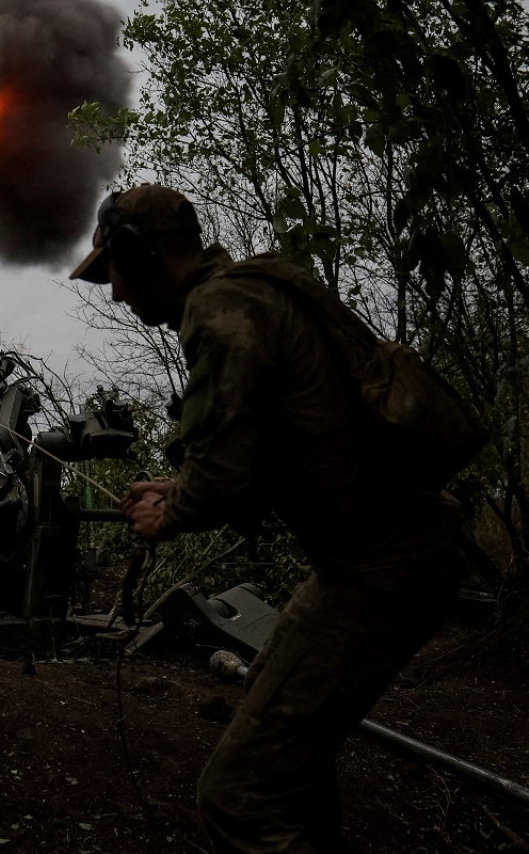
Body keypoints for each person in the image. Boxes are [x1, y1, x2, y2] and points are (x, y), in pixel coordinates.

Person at [70, 185, 463, 852]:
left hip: (381, 562)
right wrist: (177, 486)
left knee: (238, 795)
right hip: (382, 553)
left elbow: (220, 476)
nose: (115, 295)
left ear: (141, 255)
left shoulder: (217, 310)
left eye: (114, 272)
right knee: (288, 765)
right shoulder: (253, 292)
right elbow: (260, 457)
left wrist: (170, 514)